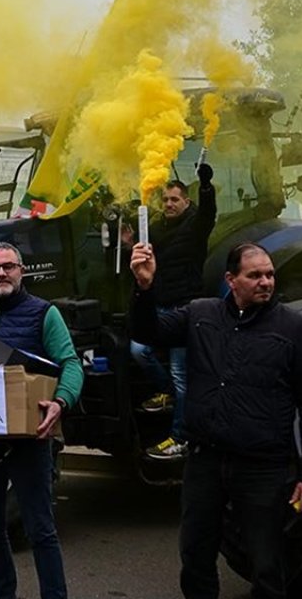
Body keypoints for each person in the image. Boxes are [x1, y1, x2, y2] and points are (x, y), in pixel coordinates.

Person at [129, 241, 302, 599]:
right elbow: (149, 332)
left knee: (266, 563)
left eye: (269, 274)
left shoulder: (296, 330)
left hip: (263, 468)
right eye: (254, 275)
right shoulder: (201, 315)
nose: (266, 282)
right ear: (231, 279)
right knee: (194, 554)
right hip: (205, 461)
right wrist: (145, 288)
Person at [0, 242, 83, 599]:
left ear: (21, 270)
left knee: (41, 530)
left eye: (8, 266)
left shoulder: (44, 313)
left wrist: (61, 401)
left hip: (31, 442)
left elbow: (70, 363)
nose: (1, 274)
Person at [134, 164, 217, 461]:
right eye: (165, 199)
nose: (169, 204)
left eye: (175, 200)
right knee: (138, 349)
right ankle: (166, 391)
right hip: (160, 305)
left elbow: (209, 212)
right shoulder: (155, 230)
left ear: (187, 202)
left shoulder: (196, 225)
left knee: (183, 375)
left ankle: (180, 438)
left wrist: (206, 185)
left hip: (186, 307)